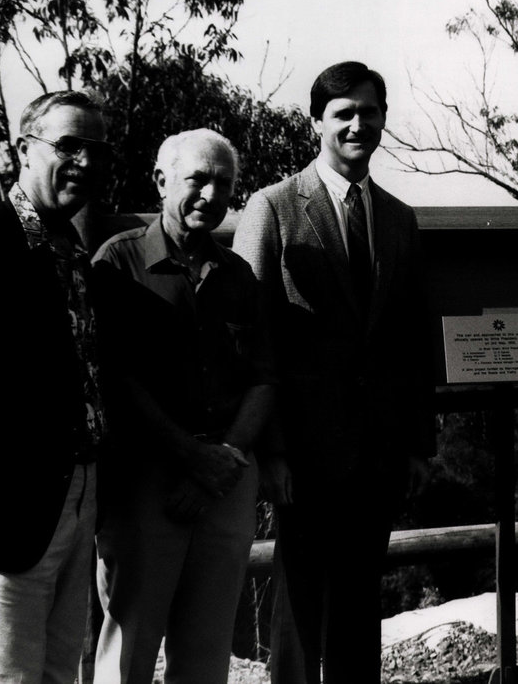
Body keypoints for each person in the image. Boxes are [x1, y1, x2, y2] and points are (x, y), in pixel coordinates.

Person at [233, 60, 435, 684]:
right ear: (316, 122)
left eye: (368, 113)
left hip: (377, 451)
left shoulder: (400, 219)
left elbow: (411, 339)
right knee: (298, 603)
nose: (356, 125)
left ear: (382, 121)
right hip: (302, 454)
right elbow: (250, 336)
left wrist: (420, 444)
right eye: (342, 113)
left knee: (358, 604)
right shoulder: (272, 207)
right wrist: (269, 449)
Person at [90, 129, 275, 683]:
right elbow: (117, 380)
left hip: (225, 482)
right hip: (148, 483)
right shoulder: (117, 264)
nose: (210, 193)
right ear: (162, 179)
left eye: (224, 183)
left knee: (206, 648)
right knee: (130, 645)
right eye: (198, 178)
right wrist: (190, 459)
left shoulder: (239, 275)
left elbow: (265, 378)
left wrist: (223, 460)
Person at [0, 91, 111, 682]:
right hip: (9, 513)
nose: (82, 160)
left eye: (95, 150)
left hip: (79, 496)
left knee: (60, 671)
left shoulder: (75, 252)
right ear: (22, 152)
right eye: (67, 146)